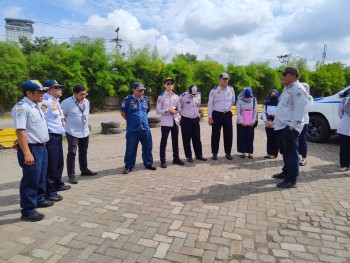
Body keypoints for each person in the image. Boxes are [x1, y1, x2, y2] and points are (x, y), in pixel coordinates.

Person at [11, 80, 54, 222]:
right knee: (31, 179)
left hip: (42, 147)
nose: (42, 94)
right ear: (28, 93)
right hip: (31, 149)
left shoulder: (36, 106)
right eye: (39, 92)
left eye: (43, 91)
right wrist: (27, 153)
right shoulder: (21, 108)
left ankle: (39, 199)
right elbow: (20, 131)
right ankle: (28, 210)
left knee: (41, 176)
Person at [273, 67, 308, 188]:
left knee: (291, 153)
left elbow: (299, 109)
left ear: (293, 76)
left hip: (290, 127)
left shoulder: (298, 89)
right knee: (286, 152)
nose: (282, 76)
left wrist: (291, 126)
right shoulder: (288, 88)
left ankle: (291, 179)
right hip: (283, 125)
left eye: (285, 74)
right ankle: (286, 172)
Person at [40, 80, 71, 202]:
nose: (59, 89)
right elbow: (41, 119)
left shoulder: (55, 101)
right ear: (49, 90)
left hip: (58, 136)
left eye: (59, 87)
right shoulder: (45, 102)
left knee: (58, 163)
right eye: (56, 87)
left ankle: (58, 184)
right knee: (52, 166)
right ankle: (50, 192)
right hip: (51, 137)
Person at [61, 84, 97, 184]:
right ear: (75, 94)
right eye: (81, 94)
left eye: (85, 94)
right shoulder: (66, 102)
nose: (83, 96)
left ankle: (84, 170)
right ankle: (71, 174)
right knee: (72, 153)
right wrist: (64, 127)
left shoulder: (86, 101)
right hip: (72, 131)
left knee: (83, 151)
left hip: (84, 131)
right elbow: (61, 116)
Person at [120, 82, 157, 174]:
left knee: (148, 147)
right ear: (133, 90)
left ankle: (148, 163)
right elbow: (123, 113)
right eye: (139, 90)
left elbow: (146, 111)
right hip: (132, 129)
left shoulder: (146, 100)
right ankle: (128, 166)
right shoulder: (127, 100)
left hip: (145, 128)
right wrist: (131, 120)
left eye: (142, 90)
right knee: (131, 148)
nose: (141, 92)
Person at [156, 77, 185, 168]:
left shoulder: (176, 96)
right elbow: (157, 111)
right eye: (168, 83)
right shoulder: (161, 96)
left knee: (175, 141)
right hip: (165, 122)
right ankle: (163, 160)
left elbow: (180, 108)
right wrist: (167, 110)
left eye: (171, 83)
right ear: (164, 85)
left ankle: (176, 158)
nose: (170, 85)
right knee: (164, 141)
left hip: (175, 121)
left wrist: (175, 109)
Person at [207, 73, 235, 160]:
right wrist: (210, 117)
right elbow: (210, 104)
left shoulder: (231, 89)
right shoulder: (214, 91)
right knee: (215, 135)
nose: (225, 80)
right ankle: (214, 153)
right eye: (223, 79)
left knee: (228, 135)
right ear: (219, 80)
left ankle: (228, 153)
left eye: (227, 79)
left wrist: (227, 108)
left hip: (227, 114)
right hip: (217, 115)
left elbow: (233, 101)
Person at [179, 84, 207, 163]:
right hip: (186, 120)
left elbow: (198, 105)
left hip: (195, 119)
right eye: (191, 94)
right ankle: (189, 156)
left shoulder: (198, 95)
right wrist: (184, 115)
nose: (193, 96)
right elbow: (179, 108)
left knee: (197, 138)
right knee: (186, 139)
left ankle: (199, 155)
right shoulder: (183, 96)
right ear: (189, 91)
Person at [236, 88, 258, 158]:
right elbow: (238, 112)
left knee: (250, 136)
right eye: (247, 97)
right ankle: (243, 152)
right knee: (242, 137)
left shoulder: (254, 100)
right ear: (243, 95)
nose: (248, 98)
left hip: (250, 122)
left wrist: (253, 121)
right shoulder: (239, 100)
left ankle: (250, 152)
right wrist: (242, 122)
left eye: (250, 97)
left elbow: (255, 111)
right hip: (241, 122)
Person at [262, 89, 280, 159]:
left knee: (275, 140)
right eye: (272, 94)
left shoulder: (279, 103)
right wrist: (266, 121)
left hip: (276, 125)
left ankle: (274, 154)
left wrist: (273, 122)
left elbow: (280, 114)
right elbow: (263, 112)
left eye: (274, 94)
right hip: (267, 124)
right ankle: (269, 153)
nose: (273, 96)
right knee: (269, 139)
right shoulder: (266, 102)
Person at [298, 82, 313, 166]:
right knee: (295, 140)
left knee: (302, 140)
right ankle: (296, 156)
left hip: (304, 121)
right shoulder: (298, 97)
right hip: (295, 121)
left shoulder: (309, 98)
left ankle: (304, 158)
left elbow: (306, 109)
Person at [337, 94, 350, 172]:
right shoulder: (345, 100)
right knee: (344, 147)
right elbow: (339, 112)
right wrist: (346, 118)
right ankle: (344, 165)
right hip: (344, 127)